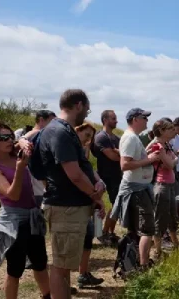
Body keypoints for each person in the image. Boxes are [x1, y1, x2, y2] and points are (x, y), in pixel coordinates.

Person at [39, 89, 106, 299]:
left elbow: (81, 169)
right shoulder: (59, 132)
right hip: (66, 208)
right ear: (78, 105)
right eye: (87, 108)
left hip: (70, 206)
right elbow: (74, 174)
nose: (87, 112)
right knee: (62, 267)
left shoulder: (63, 130)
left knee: (65, 264)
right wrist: (95, 195)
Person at [0, 124, 50, 299]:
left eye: (10, 136)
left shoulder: (14, 151)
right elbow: (13, 194)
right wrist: (19, 169)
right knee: (15, 269)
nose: (9, 140)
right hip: (13, 221)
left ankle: (48, 295)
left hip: (32, 216)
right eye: (3, 138)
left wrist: (23, 140)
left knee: (40, 263)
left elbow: (34, 132)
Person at [111, 108, 160, 270]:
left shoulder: (133, 138)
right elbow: (125, 165)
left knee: (137, 229)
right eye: (144, 117)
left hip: (138, 189)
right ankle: (143, 265)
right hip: (136, 191)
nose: (147, 120)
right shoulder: (130, 138)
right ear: (135, 119)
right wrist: (149, 160)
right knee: (147, 228)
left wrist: (146, 157)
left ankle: (133, 263)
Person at [74, 123, 104, 288]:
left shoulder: (80, 152)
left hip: (86, 201)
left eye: (90, 138)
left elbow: (88, 170)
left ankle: (83, 274)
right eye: (86, 135)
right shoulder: (69, 151)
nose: (88, 140)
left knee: (87, 237)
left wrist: (98, 182)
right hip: (74, 203)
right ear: (76, 131)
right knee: (75, 243)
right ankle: (63, 284)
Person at [148, 120, 179, 259]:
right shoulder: (157, 146)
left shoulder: (166, 145)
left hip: (169, 185)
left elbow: (172, 160)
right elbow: (170, 164)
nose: (174, 131)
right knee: (160, 219)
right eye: (170, 129)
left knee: (172, 215)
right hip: (161, 186)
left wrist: (173, 160)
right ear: (161, 131)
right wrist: (173, 160)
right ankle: (157, 251)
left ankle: (176, 244)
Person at [91, 110, 122, 246]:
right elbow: (114, 156)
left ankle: (109, 232)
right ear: (105, 120)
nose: (116, 121)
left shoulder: (116, 138)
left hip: (116, 175)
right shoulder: (101, 137)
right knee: (99, 205)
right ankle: (101, 233)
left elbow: (123, 155)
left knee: (117, 205)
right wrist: (121, 154)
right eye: (113, 118)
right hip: (104, 176)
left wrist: (121, 154)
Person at [17, 110, 57, 207]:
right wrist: (22, 140)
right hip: (29, 183)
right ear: (41, 120)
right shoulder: (30, 133)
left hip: (40, 185)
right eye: (52, 122)